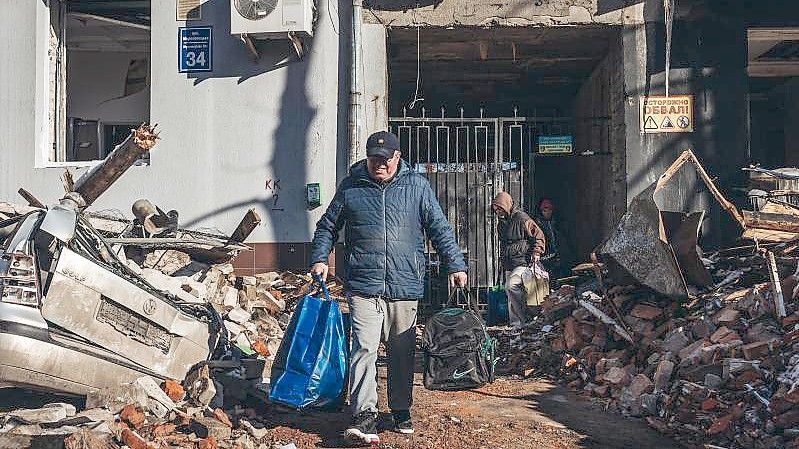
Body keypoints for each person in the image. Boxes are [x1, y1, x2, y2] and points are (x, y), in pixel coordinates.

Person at [309, 131, 468, 445]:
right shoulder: (351, 187)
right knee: (364, 348)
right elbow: (327, 225)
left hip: (404, 282)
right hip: (363, 284)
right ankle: (364, 415)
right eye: (373, 158)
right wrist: (319, 258)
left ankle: (399, 407)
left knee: (400, 351)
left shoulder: (417, 187)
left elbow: (439, 227)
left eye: (385, 159)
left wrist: (456, 264)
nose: (379, 164)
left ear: (397, 157)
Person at [491, 192, 546, 329]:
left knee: (511, 285)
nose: (498, 211)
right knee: (511, 295)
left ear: (506, 206)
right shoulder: (502, 224)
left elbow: (538, 234)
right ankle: (517, 324)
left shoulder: (522, 218)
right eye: (496, 209)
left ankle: (526, 319)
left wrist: (537, 251)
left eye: (500, 208)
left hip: (523, 260)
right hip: (510, 263)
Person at [534, 198, 567, 279]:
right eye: (545, 210)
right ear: (541, 211)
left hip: (555, 255)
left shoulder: (555, 222)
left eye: (550, 210)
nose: (548, 212)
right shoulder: (537, 224)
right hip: (544, 256)